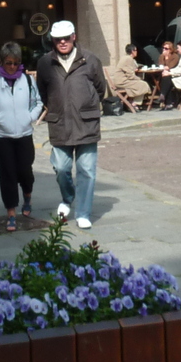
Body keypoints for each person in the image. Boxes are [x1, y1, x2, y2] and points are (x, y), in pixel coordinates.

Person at [34, 19, 109, 230]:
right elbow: (42, 92)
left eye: (67, 38)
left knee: (86, 170)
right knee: (60, 168)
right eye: (58, 39)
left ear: (74, 37)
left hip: (86, 123)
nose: (63, 42)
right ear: (53, 41)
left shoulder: (91, 59)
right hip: (59, 123)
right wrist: (56, 108)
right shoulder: (44, 63)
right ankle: (68, 197)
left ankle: (83, 213)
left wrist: (88, 106)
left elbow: (100, 88)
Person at [0, 42, 44, 232]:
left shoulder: (28, 81)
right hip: (2, 136)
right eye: (9, 63)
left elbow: (38, 102)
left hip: (24, 134)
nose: (13, 67)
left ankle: (28, 196)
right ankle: (11, 213)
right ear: (2, 62)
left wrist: (30, 117)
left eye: (16, 63)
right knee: (7, 174)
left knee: (25, 171)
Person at [110, 44, 152, 112]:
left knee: (140, 83)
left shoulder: (126, 58)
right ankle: (135, 103)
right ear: (132, 51)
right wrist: (139, 79)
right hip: (122, 81)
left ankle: (131, 100)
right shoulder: (128, 59)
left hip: (122, 80)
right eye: (136, 50)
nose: (136, 52)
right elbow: (130, 75)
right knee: (143, 84)